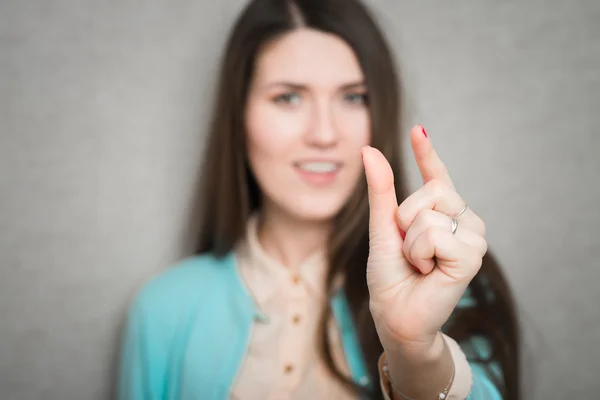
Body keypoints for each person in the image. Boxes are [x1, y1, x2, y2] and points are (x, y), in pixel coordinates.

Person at [117, 0, 520, 399]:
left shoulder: (450, 280)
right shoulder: (162, 309)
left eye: (353, 97)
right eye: (288, 97)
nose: (324, 134)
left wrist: (415, 351)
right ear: (238, 116)